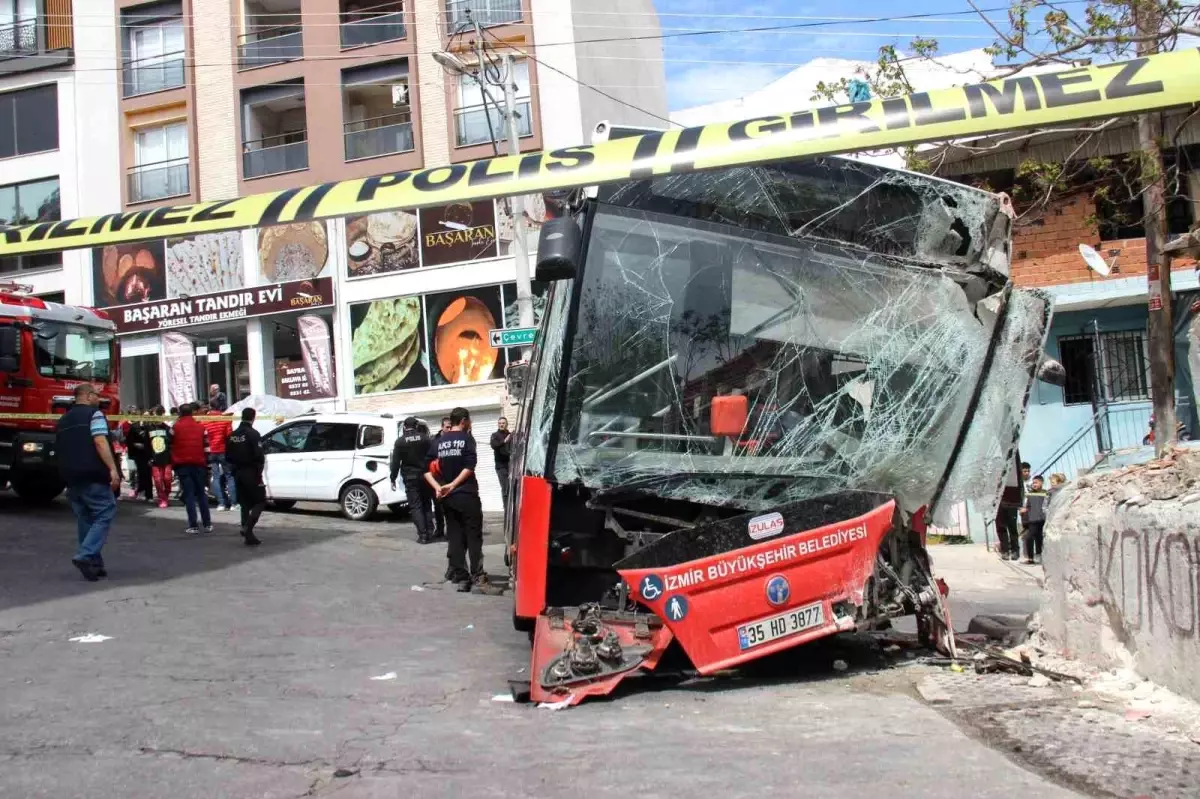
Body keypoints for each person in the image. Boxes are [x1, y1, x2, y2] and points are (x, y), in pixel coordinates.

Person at [56, 383, 120, 582]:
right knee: (105, 511)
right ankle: (85, 555)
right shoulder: (95, 415)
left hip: (71, 475)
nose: (99, 399)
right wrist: (113, 469)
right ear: (89, 395)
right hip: (93, 473)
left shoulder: (63, 420)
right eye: (97, 396)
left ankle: (94, 563)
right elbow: (100, 441)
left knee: (85, 518)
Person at [425, 407, 487, 592]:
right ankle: (477, 576)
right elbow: (469, 467)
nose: (470, 424)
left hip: (448, 499)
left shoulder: (440, 441)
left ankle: (461, 577)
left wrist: (439, 488)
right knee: (473, 536)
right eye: (469, 420)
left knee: (455, 536)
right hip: (466, 494)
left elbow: (426, 470)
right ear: (463, 421)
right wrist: (453, 485)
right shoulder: (467, 439)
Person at [225, 407, 266, 546]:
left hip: (237, 472)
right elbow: (259, 455)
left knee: (244, 503)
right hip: (251, 472)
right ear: (253, 418)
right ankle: (248, 527)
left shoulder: (232, 435)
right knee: (260, 500)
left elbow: (228, 456)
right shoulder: (253, 434)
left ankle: (247, 532)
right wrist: (259, 472)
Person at [391, 417, 435, 543]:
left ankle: (423, 535)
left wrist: (393, 478)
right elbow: (433, 456)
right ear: (416, 426)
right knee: (426, 504)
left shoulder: (400, 442)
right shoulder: (425, 439)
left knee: (416, 506)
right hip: (426, 476)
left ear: (404, 427)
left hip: (410, 478)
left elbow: (395, 463)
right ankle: (430, 530)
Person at [171, 404, 213, 535]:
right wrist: (208, 464)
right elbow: (206, 447)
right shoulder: (201, 427)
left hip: (182, 464)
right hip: (199, 463)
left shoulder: (175, 427)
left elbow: (169, 443)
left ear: (180, 413)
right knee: (201, 494)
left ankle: (193, 525)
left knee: (189, 494)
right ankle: (207, 524)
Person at [200, 405, 236, 511]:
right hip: (224, 451)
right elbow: (230, 436)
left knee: (215, 477)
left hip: (211, 452)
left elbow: (204, 437)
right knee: (229, 476)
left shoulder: (204, 422)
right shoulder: (225, 420)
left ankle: (221, 504)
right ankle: (234, 504)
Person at [429, 416, 452, 539]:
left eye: (450, 427)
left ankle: (450, 530)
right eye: (447, 427)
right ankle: (439, 529)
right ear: (442, 427)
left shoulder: (454, 439)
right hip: (437, 476)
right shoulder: (434, 440)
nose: (449, 429)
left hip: (450, 476)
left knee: (449, 505)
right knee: (437, 505)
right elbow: (429, 457)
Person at [146, 406, 174, 508]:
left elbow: (173, 442)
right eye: (154, 415)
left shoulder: (168, 428)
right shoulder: (148, 429)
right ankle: (161, 498)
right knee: (158, 480)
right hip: (154, 459)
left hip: (167, 459)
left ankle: (166, 494)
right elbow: (147, 445)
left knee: (167, 479)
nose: (156, 417)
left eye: (159, 414)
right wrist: (148, 458)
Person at [1020, 474, 1049, 565]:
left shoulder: (1046, 493)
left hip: (1042, 520)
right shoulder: (1030, 494)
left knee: (1039, 539)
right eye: (1033, 483)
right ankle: (1030, 558)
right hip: (1032, 520)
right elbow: (1028, 506)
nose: (1034, 484)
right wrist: (1024, 510)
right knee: (1029, 538)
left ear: (1041, 482)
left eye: (1036, 482)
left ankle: (1039, 557)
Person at [127, 412, 154, 502]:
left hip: (148, 454)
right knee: (141, 473)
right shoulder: (133, 429)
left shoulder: (150, 428)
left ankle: (149, 495)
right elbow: (129, 441)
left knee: (148, 474)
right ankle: (141, 491)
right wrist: (135, 445)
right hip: (138, 455)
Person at [490, 416, 512, 510]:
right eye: (500, 423)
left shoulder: (510, 434)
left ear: (506, 424)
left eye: (503, 423)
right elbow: (494, 445)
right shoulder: (495, 435)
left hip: (511, 465)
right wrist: (504, 441)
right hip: (501, 466)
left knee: (512, 488)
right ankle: (507, 509)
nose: (501, 424)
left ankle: (512, 508)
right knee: (505, 488)